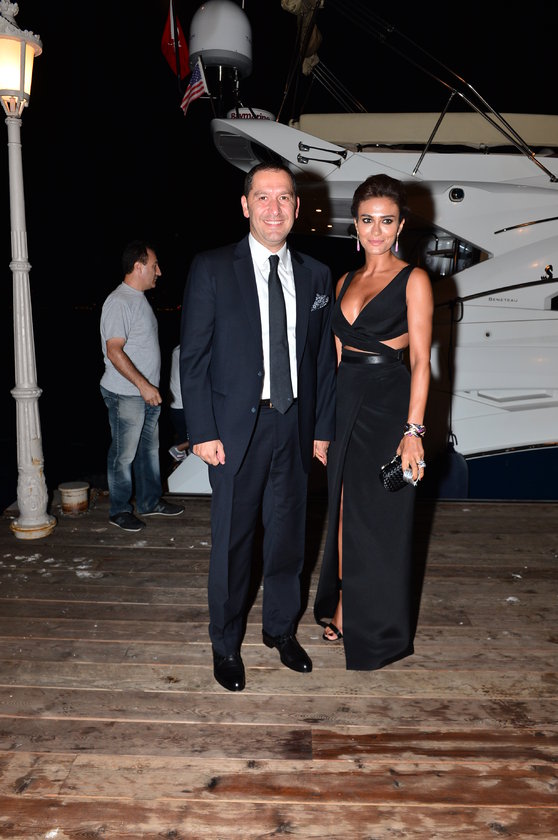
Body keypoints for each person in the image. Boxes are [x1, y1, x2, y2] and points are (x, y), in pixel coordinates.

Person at [180, 162, 337, 691]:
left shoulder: (316, 275)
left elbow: (321, 363)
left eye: (284, 197)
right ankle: (225, 643)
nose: (274, 208)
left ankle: (280, 630)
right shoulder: (212, 268)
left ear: (297, 207)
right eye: (263, 197)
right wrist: (202, 431)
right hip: (232, 431)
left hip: (293, 424)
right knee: (232, 542)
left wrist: (321, 428)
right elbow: (194, 359)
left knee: (289, 538)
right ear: (245, 205)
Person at [313, 173, 433, 670]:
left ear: (400, 226)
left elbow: (422, 362)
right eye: (367, 220)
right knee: (343, 512)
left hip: (388, 403)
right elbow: (335, 360)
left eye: (387, 221)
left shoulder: (414, 280)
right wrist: (323, 427)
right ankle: (346, 601)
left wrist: (413, 431)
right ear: (355, 225)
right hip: (347, 402)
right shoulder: (343, 281)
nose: (376, 230)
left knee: (380, 519)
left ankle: (379, 627)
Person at [100, 240, 185, 532]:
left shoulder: (138, 299)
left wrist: (151, 388)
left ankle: (149, 501)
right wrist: (143, 385)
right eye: (154, 266)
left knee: (148, 451)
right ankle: (119, 510)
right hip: (127, 394)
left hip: (145, 395)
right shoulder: (119, 301)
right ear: (138, 267)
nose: (159, 272)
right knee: (123, 454)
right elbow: (114, 351)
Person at [168, 344, 189, 463]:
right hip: (185, 407)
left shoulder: (176, 350)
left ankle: (179, 459)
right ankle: (178, 449)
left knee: (183, 437)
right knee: (202, 437)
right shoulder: (188, 350)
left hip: (176, 407)